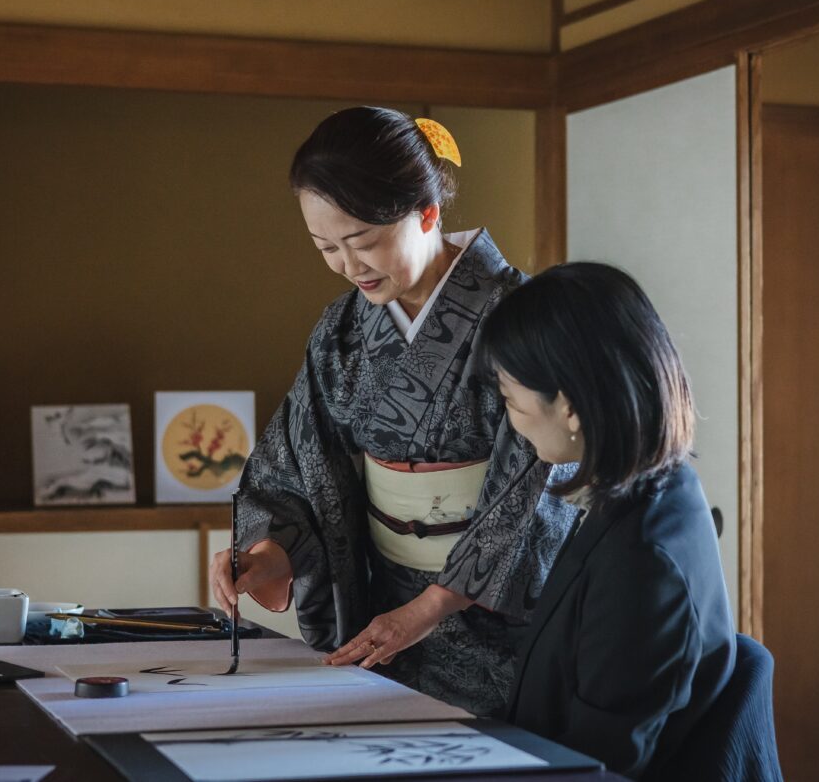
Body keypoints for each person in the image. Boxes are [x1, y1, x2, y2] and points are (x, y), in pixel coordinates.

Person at [208, 106, 575, 716]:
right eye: (326, 247)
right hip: (387, 617)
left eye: (363, 242)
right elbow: (300, 462)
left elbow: (539, 483)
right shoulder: (340, 330)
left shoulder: (524, 317)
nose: (348, 267)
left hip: (504, 626)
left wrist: (431, 607)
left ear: (426, 213)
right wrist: (266, 556)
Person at [480, 262, 736, 779]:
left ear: (569, 407)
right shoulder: (656, 490)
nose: (509, 417)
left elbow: (597, 763)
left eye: (510, 398)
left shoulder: (643, 562)